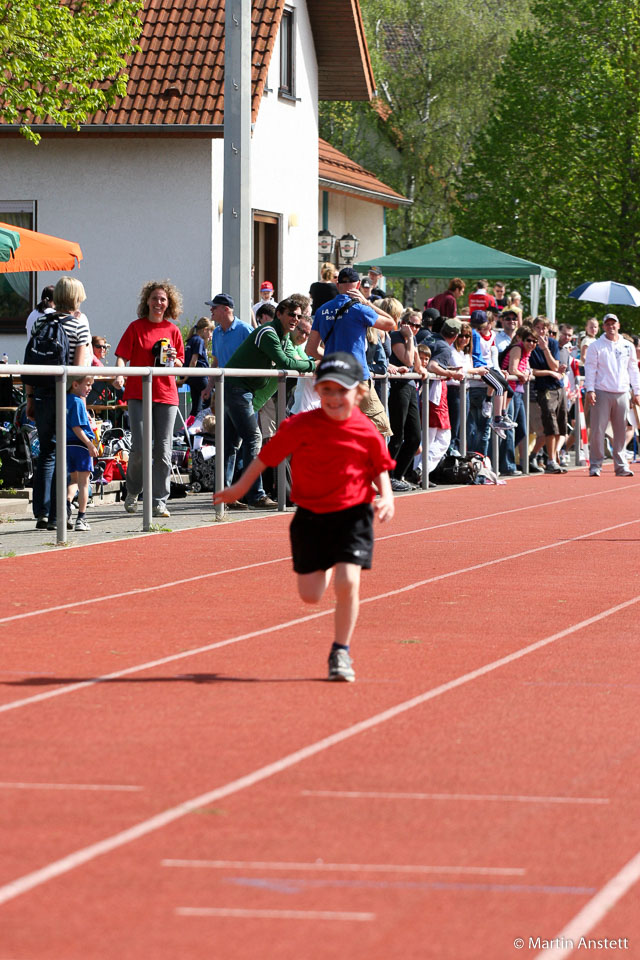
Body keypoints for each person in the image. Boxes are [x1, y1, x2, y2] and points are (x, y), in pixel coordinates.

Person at [213, 352, 395, 683]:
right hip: (311, 516)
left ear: (358, 394)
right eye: (327, 390)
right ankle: (325, 563)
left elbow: (380, 466)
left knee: (348, 582)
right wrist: (239, 488)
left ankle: (341, 651)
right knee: (310, 595)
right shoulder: (300, 425)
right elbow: (265, 459)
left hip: (354, 514)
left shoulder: (366, 430)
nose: (334, 398)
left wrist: (387, 496)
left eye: (342, 391)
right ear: (317, 391)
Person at [221, 297, 316, 509]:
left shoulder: (283, 338)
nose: (295, 319)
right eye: (291, 314)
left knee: (231, 443)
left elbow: (292, 361)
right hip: (238, 388)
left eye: (298, 316)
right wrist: (313, 364)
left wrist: (308, 363)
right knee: (253, 438)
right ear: (279, 314)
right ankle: (256, 495)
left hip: (244, 390)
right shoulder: (269, 333)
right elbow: (286, 363)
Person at [24, 276, 92, 531]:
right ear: (76, 297)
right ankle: (57, 515)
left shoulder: (41, 321)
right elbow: (77, 369)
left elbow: (30, 362)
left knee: (47, 451)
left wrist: (30, 397)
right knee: (61, 450)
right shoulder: (78, 325)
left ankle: (41, 512)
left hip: (40, 392)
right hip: (62, 393)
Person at [115, 280, 185, 518]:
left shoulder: (173, 330)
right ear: (147, 301)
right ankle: (133, 490)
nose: (158, 303)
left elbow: (180, 365)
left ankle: (158, 501)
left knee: (164, 450)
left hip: (166, 394)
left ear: (169, 304)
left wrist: (174, 359)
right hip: (138, 393)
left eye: (163, 299)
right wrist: (120, 376)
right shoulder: (135, 327)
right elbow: (122, 356)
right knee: (140, 448)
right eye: (154, 298)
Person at [306, 267, 396, 438]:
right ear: (359, 285)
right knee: (380, 426)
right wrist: (367, 302)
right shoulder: (360, 308)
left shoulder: (322, 310)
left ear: (338, 284)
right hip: (357, 376)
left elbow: (310, 349)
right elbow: (391, 323)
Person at [584, 313, 640, 477]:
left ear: (618, 325)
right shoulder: (596, 346)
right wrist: (590, 389)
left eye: (613, 324)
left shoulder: (627, 346)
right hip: (602, 391)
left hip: (622, 392)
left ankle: (621, 466)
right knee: (597, 430)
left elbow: (633, 370)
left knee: (621, 431)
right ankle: (595, 465)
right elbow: (590, 368)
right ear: (603, 327)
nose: (611, 327)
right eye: (607, 324)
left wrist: (636, 391)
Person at [387, 309, 426, 491]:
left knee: (415, 436)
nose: (415, 329)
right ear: (403, 323)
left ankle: (398, 474)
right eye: (411, 325)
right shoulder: (396, 336)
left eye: (418, 326)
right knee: (397, 434)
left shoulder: (412, 339)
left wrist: (413, 342)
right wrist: (410, 338)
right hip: (397, 386)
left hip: (410, 386)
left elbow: (417, 365)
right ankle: (386, 476)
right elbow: (408, 360)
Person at [528, 315, 568, 474]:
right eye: (538, 327)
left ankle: (549, 457)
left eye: (544, 328)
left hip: (558, 387)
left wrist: (546, 349)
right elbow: (531, 370)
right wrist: (550, 373)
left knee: (561, 424)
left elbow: (556, 366)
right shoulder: (530, 344)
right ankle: (550, 460)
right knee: (550, 426)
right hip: (543, 389)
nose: (541, 331)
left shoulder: (551, 343)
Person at [65, 374, 98, 532]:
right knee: (84, 483)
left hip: (68, 444)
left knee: (73, 480)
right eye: (87, 384)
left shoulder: (64, 399)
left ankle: (66, 505)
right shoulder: (77, 402)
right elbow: (77, 426)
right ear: (75, 385)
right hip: (81, 446)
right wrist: (89, 444)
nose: (89, 388)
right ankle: (81, 517)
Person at [181, 317, 213, 417]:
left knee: (196, 407)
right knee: (211, 403)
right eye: (211, 332)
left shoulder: (191, 340)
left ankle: (188, 429)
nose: (211, 336)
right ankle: (206, 427)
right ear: (205, 330)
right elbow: (193, 361)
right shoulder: (199, 341)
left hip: (192, 379)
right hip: (199, 377)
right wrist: (187, 375)